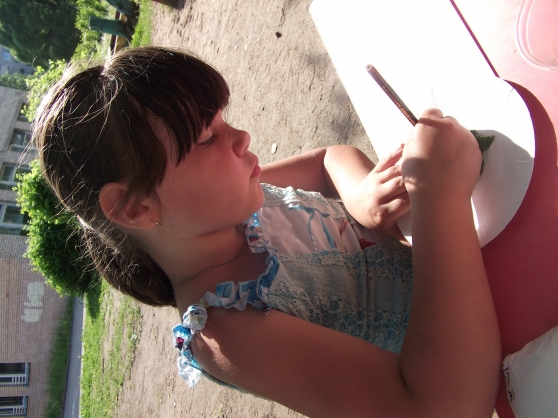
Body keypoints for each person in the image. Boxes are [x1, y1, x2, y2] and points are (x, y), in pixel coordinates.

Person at [35, 46, 501, 417]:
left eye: (223, 120)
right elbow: (444, 406)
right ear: (136, 208)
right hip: (493, 353)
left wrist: (359, 198)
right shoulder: (227, 332)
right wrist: (439, 193)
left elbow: (327, 160)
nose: (242, 138)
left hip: (489, 258)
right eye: (207, 138)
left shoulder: (238, 205)